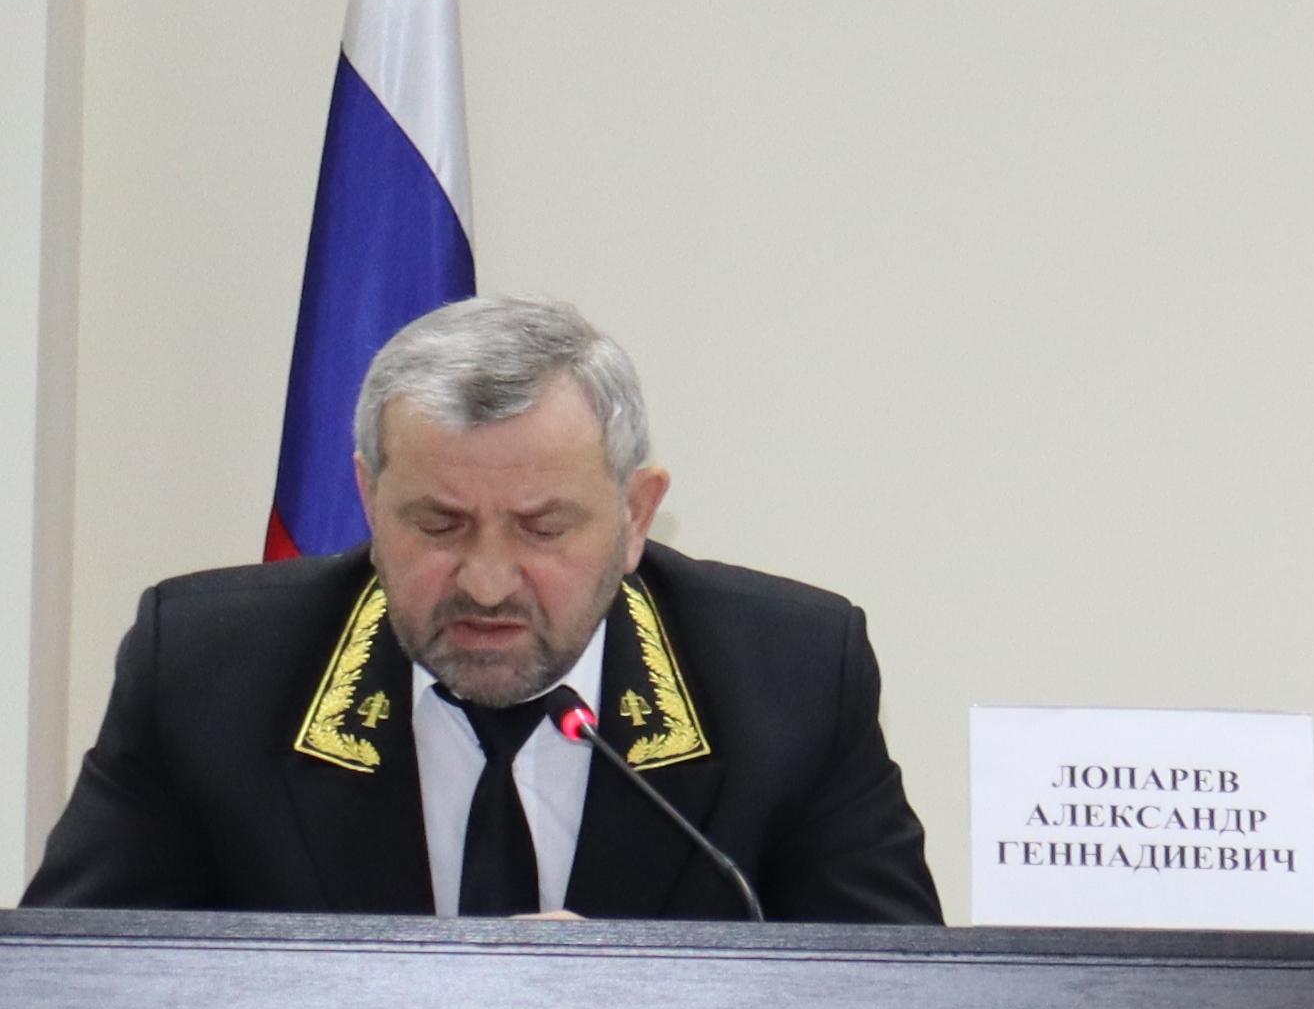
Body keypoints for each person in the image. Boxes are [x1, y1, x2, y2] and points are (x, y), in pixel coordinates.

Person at [23, 295, 940, 921]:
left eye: (543, 528)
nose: (488, 582)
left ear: (635, 516)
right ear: (369, 501)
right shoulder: (204, 671)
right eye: (439, 524)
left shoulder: (793, 677)